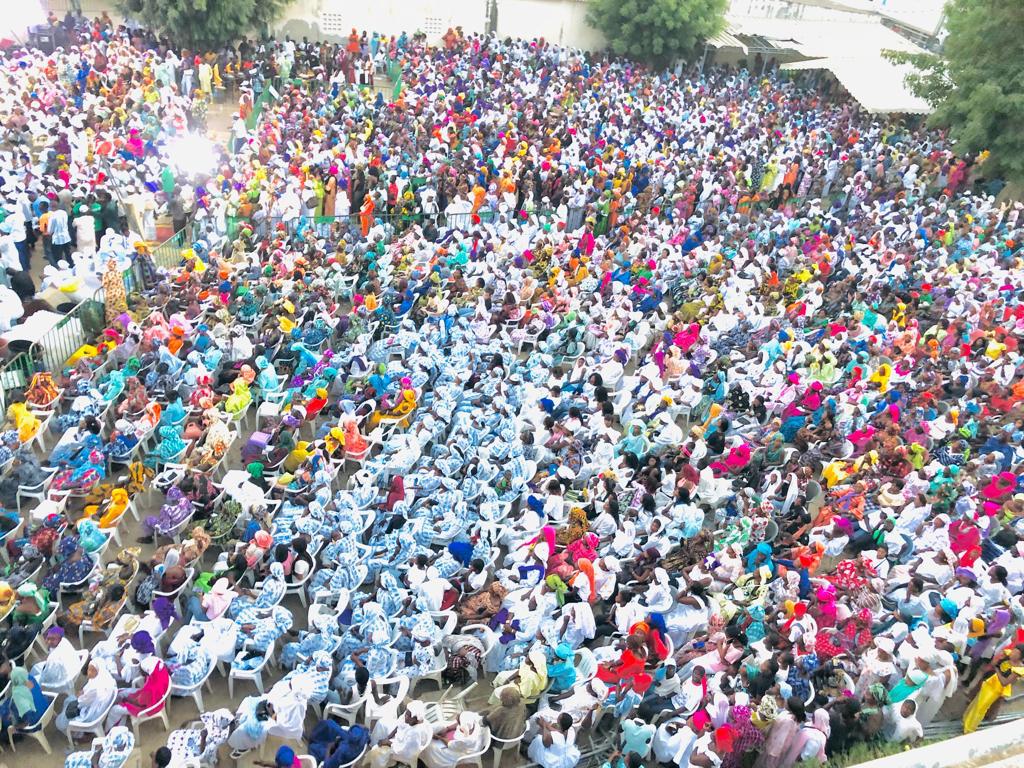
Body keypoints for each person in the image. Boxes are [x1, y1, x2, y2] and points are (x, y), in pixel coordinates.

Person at [963, 644, 1024, 733]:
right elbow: (993, 664)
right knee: (977, 701)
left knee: (981, 707)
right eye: (1014, 650)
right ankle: (966, 720)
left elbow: (1004, 682)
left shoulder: (1019, 669)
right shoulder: (1007, 654)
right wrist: (999, 659)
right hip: (990, 681)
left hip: (997, 689)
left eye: (1017, 653)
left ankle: (969, 729)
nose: (1013, 653)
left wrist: (997, 670)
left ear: (1021, 657)